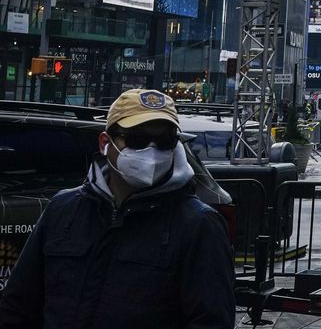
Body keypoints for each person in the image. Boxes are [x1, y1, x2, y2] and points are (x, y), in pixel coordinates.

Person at [0, 89, 235, 328]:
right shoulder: (63, 209)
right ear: (105, 142)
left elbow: (211, 321)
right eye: (138, 140)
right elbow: (18, 306)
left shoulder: (199, 224)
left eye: (165, 142)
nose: (152, 152)